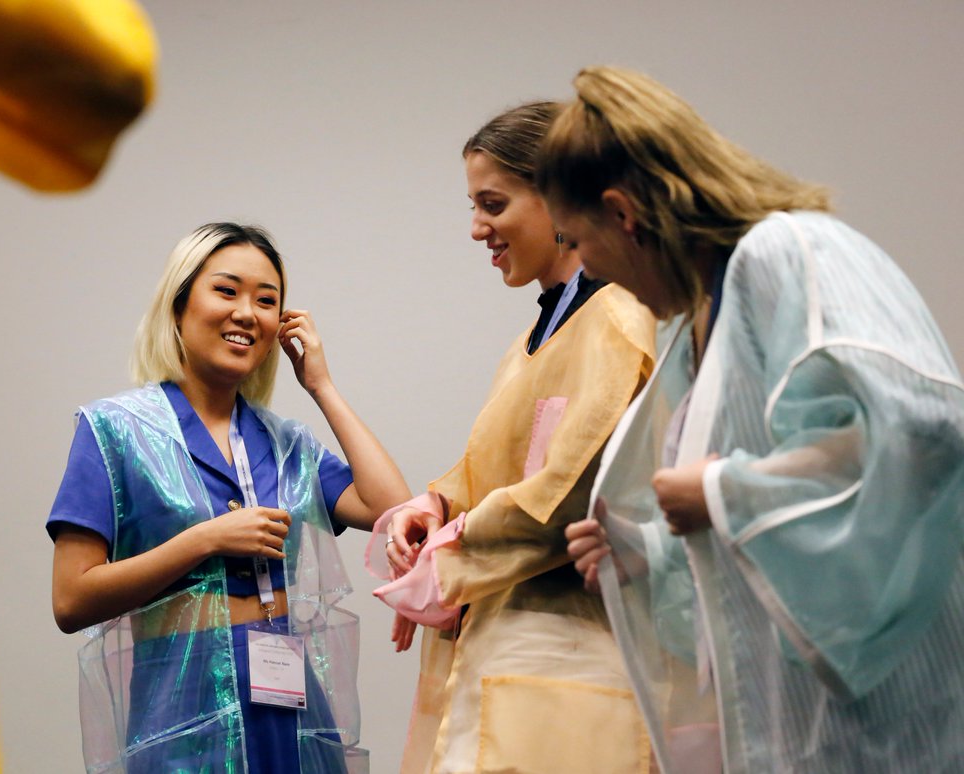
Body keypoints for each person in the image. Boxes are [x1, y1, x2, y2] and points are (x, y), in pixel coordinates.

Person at [543, 66, 964, 773]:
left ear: (623, 212)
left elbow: (922, 432)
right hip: (795, 734)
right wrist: (653, 553)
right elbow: (753, 557)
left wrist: (719, 492)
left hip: (891, 734)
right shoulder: (696, 331)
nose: (588, 269)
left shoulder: (790, 252)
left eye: (577, 241)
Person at [48, 222, 409, 772]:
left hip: (289, 698)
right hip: (183, 704)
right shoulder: (113, 429)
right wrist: (204, 541)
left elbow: (394, 511)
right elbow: (71, 601)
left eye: (267, 301)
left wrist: (322, 386)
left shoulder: (287, 445)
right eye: (226, 290)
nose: (247, 313)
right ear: (178, 304)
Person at [368, 103, 658, 773]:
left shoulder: (616, 318)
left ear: (557, 195)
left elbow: (569, 492)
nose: (477, 229)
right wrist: (434, 506)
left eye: (492, 203)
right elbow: (492, 470)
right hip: (504, 653)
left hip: (566, 659)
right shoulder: (532, 341)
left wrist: (450, 550)